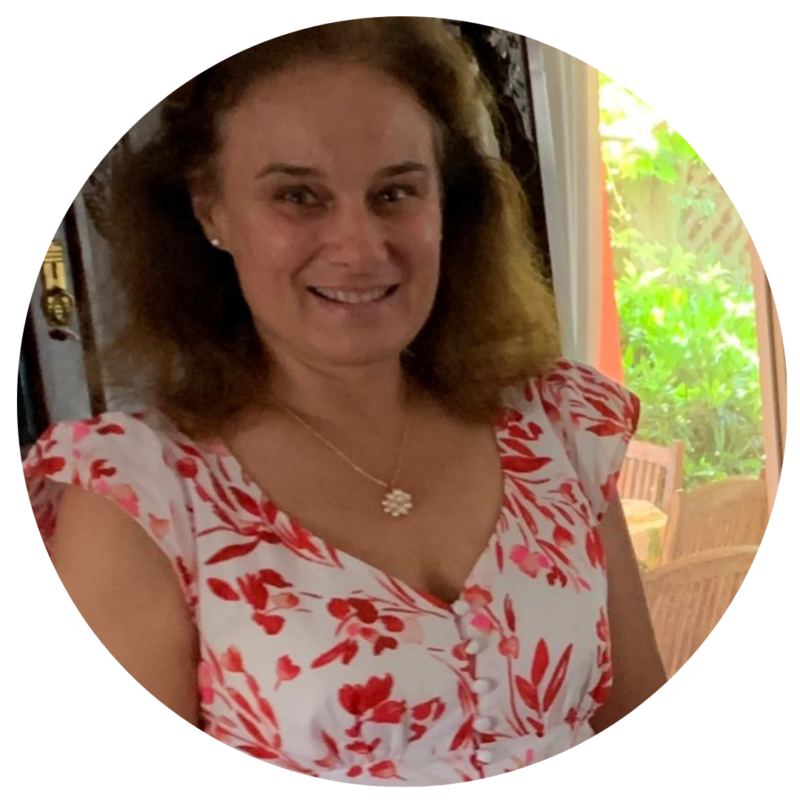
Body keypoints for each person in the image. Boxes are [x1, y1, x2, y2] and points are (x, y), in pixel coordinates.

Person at [23, 18, 666, 785]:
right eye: (298, 196)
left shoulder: (556, 425)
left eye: (396, 192)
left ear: (445, 203)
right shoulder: (139, 496)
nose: (360, 247)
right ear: (210, 210)